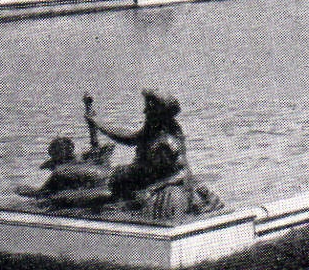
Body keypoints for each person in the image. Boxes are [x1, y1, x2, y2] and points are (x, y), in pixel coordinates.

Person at [85, 90, 221, 218]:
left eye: (148, 108)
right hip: (140, 178)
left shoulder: (167, 142)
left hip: (157, 186)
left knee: (100, 190)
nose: (144, 111)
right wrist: (98, 123)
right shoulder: (153, 130)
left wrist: (152, 189)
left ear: (158, 112)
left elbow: (183, 173)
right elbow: (128, 137)